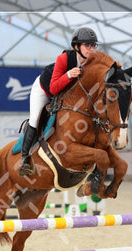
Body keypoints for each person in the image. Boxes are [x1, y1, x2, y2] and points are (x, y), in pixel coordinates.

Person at [19, 26, 99, 177]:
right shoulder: (64, 59)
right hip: (44, 89)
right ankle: (24, 160)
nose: (91, 49)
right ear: (76, 47)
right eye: (87, 45)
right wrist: (69, 74)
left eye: (93, 45)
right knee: (35, 119)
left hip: (65, 95)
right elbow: (54, 88)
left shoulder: (92, 63)